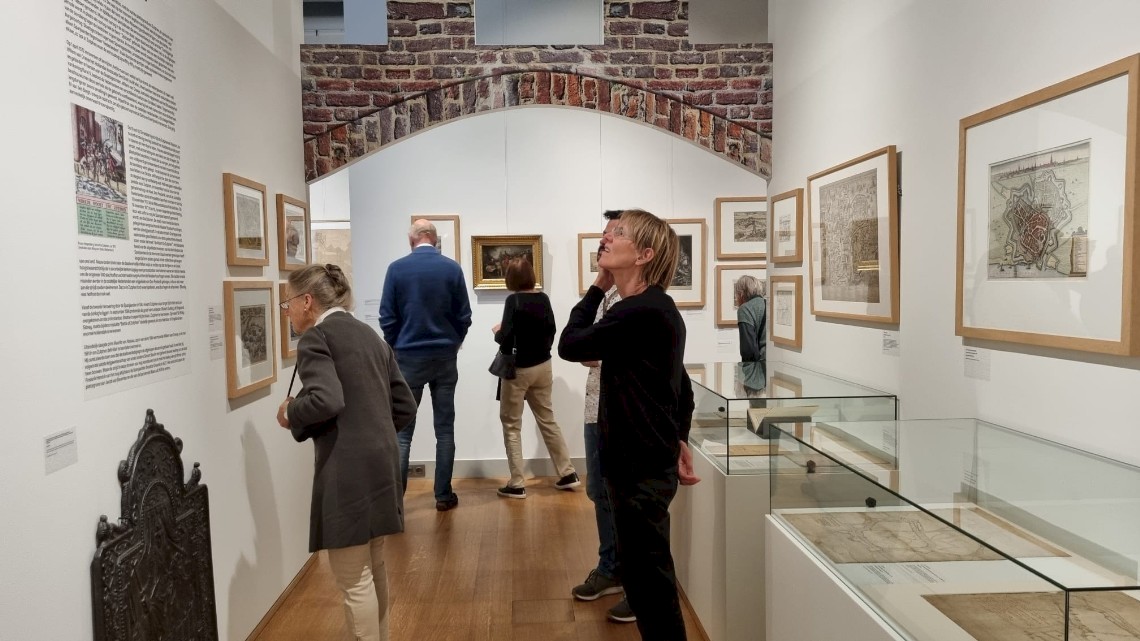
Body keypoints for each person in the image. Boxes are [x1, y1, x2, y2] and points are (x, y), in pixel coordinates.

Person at [558, 209, 700, 641]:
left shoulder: (641, 310)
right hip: (638, 463)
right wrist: (678, 438)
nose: (606, 238)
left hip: (639, 468)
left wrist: (597, 285)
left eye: (617, 234)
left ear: (644, 254)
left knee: (651, 585)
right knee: (643, 582)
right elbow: (684, 389)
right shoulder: (651, 310)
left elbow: (569, 343)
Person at [276, 264, 418, 641]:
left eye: (287, 302)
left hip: (346, 470)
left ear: (307, 302)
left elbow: (327, 398)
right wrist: (374, 430)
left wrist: (291, 412)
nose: (286, 310)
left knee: (355, 580)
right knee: (375, 565)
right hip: (382, 462)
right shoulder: (370, 335)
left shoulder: (315, 339)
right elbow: (405, 406)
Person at [380, 219, 473, 512]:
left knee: (403, 431)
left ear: (411, 241)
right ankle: (443, 495)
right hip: (445, 358)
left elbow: (387, 316)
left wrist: (396, 346)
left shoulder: (396, 269)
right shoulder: (451, 268)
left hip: (408, 359)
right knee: (444, 430)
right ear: (434, 240)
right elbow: (464, 315)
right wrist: (454, 343)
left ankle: (395, 503)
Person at [570, 210, 631, 622]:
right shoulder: (611, 293)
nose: (603, 240)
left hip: (622, 412)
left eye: (613, 233)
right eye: (604, 233)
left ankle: (632, 577)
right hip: (596, 406)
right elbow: (580, 348)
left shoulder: (636, 301)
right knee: (599, 493)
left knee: (623, 498)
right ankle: (611, 567)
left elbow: (581, 345)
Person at [492, 257, 580, 499]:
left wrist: (497, 333)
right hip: (544, 365)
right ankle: (567, 473)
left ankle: (517, 483)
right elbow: (551, 330)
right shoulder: (543, 298)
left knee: (511, 424)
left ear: (511, 279)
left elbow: (506, 339)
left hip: (518, 369)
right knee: (547, 419)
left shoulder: (514, 300)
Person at [735, 275, 767, 362]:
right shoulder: (767, 303)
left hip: (760, 364)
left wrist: (748, 373)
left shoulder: (745, 309)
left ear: (741, 293)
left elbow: (748, 350)